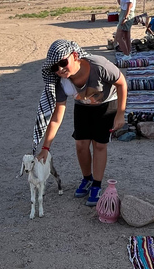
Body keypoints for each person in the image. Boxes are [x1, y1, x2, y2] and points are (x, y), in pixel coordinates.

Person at [33, 40, 128, 207]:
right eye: (55, 67)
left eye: (63, 63)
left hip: (107, 104)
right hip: (83, 106)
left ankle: (97, 185)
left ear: (75, 56)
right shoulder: (62, 82)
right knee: (81, 144)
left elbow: (121, 83)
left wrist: (120, 114)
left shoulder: (99, 66)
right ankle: (87, 179)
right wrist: (45, 148)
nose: (60, 69)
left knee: (99, 145)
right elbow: (56, 117)